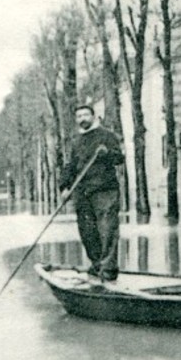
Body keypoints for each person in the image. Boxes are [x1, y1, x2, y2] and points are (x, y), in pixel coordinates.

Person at [60, 105, 124, 282]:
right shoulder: (76, 141)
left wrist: (106, 153)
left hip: (105, 190)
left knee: (107, 229)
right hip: (82, 192)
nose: (82, 118)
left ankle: (109, 269)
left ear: (93, 116)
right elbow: (70, 166)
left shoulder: (107, 136)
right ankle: (97, 265)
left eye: (86, 115)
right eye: (79, 116)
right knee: (88, 232)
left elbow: (119, 158)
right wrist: (64, 187)